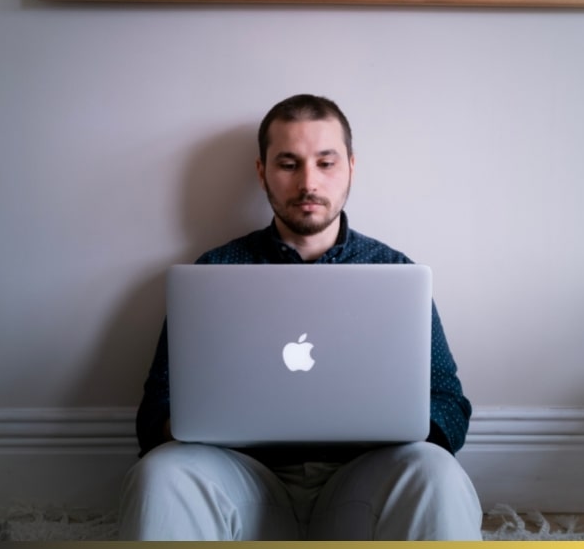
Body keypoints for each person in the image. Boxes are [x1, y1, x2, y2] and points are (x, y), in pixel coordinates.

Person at [118, 94, 483, 540]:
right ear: (262, 172)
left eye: (325, 163)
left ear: (351, 166)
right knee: (162, 473)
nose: (308, 182)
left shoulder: (396, 274)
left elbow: (448, 402)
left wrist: (393, 423)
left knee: (436, 471)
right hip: (243, 480)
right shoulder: (214, 272)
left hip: (361, 484)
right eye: (289, 164)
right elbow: (156, 408)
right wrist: (196, 421)